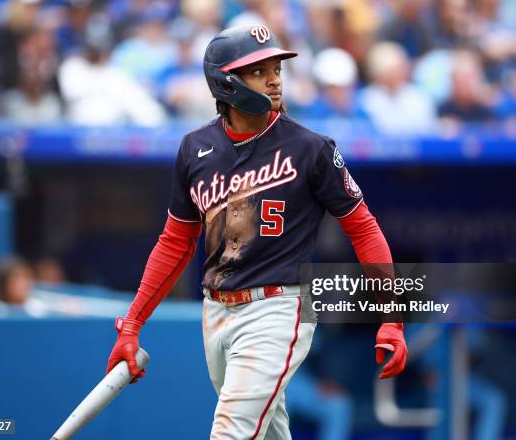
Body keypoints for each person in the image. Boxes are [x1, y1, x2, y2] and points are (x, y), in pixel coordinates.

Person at [105, 25, 407, 440]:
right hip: (216, 311)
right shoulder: (195, 148)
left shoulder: (310, 148)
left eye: (276, 67)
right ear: (225, 81)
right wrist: (133, 323)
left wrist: (391, 315)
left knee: (230, 432)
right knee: (265, 434)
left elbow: (364, 228)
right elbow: (175, 242)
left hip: (278, 309)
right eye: (257, 70)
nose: (274, 78)